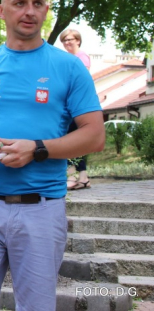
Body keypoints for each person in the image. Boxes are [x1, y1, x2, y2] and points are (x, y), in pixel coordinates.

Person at [0, 0, 104, 311]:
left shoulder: (69, 68)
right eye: (19, 3)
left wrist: (38, 148)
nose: (29, 11)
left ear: (46, 9)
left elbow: (94, 134)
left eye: (37, 3)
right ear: (1, 11)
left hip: (42, 208)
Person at [60, 28, 92, 190]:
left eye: (70, 39)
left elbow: (81, 81)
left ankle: (72, 176)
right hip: (69, 104)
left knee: (66, 139)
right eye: (64, 40)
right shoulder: (68, 58)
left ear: (78, 40)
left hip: (75, 106)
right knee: (74, 140)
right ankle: (83, 177)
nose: (67, 42)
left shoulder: (81, 58)